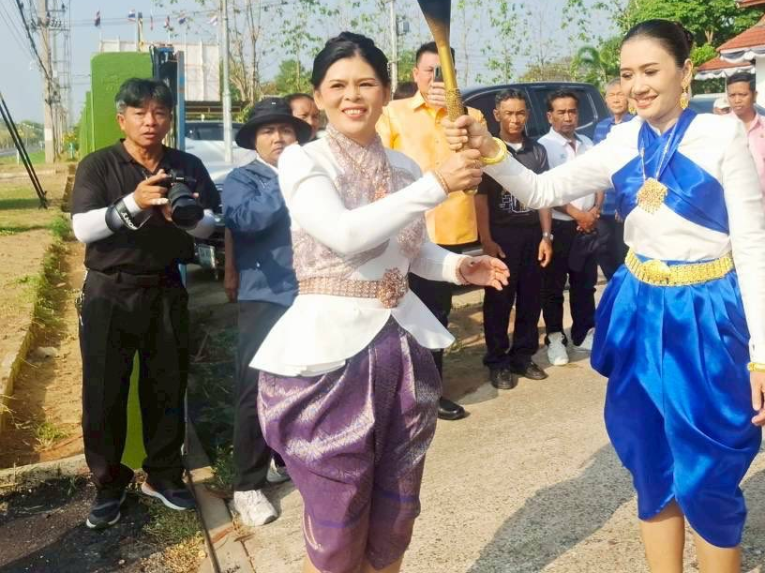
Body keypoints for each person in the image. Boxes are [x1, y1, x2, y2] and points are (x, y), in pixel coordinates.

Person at [444, 19, 765, 573]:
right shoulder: (620, 139)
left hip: (705, 314)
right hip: (640, 308)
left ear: (685, 72)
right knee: (649, 461)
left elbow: (750, 246)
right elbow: (540, 190)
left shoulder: (721, 136)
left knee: (706, 471)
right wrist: (488, 149)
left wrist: (764, 356)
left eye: (651, 71)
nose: (638, 85)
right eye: (628, 75)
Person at [252, 32, 507, 573]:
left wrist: (460, 266)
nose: (352, 96)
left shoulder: (404, 168)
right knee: (338, 516)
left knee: (396, 509)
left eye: (366, 83)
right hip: (328, 362)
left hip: (400, 349)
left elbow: (413, 251)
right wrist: (437, 183)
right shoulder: (303, 161)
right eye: (337, 85)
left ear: (386, 91)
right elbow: (344, 234)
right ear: (317, 97)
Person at [70, 79, 220, 529]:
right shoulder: (98, 165)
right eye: (140, 113)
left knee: (166, 386)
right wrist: (132, 203)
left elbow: (212, 225)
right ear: (122, 119)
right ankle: (109, 485)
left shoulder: (186, 165)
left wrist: (186, 220)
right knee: (103, 392)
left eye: (159, 113)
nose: (150, 121)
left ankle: (163, 476)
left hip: (165, 287)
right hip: (108, 290)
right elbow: (83, 228)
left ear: (170, 118)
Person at [376, 41, 488, 421]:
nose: (436, 79)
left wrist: (450, 117)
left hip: (451, 231)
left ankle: (430, 392)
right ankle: (393, 396)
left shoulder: (469, 116)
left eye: (445, 72)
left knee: (437, 314)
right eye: (429, 70)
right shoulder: (392, 114)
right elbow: (378, 169)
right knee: (392, 313)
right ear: (415, 74)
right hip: (401, 233)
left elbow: (476, 176)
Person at [221, 98, 313, 527]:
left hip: (314, 293)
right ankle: (246, 485)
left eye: (286, 130)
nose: (278, 138)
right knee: (255, 389)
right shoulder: (243, 179)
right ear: (255, 140)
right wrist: (286, 181)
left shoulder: (316, 171)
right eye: (268, 132)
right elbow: (244, 221)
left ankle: (285, 459)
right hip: (265, 297)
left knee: (307, 384)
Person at [475, 89, 553, 390]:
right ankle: (497, 360)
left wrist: (546, 236)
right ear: (497, 115)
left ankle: (523, 355)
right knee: (499, 301)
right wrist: (487, 240)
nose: (515, 119)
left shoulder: (537, 152)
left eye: (520, 112)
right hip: (502, 237)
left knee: (531, 299)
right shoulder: (489, 151)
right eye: (508, 113)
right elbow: (480, 200)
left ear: (527, 115)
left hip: (532, 234)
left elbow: (545, 195)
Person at [538, 89, 604, 365]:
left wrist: (594, 210)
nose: (568, 117)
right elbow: (545, 191)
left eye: (572, 111)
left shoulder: (588, 143)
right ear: (550, 116)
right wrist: (577, 214)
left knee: (585, 284)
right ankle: (555, 338)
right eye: (561, 112)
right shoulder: (543, 147)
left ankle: (583, 333)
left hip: (587, 225)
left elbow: (599, 179)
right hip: (561, 227)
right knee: (553, 287)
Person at [726, 71, 765, 250]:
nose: (737, 100)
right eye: (732, 95)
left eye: (743, 94)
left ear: (754, 95)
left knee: (763, 267)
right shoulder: (718, 127)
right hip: (728, 213)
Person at [594, 78, 632, 281]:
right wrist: (596, 204)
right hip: (603, 207)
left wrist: (624, 203)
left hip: (625, 208)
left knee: (625, 258)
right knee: (604, 254)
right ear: (606, 100)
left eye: (620, 94)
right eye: (611, 95)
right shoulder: (601, 128)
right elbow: (598, 165)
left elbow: (637, 169)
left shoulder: (636, 125)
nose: (616, 99)